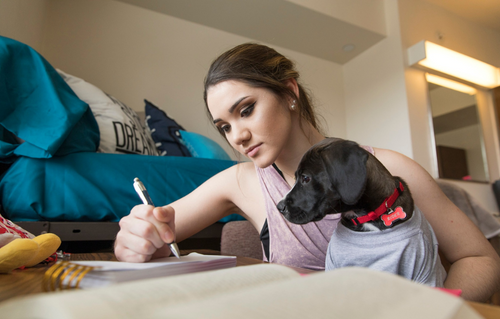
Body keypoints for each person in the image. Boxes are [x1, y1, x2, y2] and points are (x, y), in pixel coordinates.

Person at [115, 43, 500, 302]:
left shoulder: (390, 168)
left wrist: (430, 315)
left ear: (288, 93)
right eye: (224, 126)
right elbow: (154, 229)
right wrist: (136, 237)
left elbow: (480, 260)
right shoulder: (237, 181)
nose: (238, 136)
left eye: (246, 109)